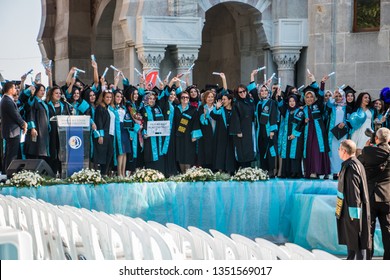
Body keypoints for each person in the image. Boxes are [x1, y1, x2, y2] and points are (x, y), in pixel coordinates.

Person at [336, 139, 371, 260]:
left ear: (345, 151)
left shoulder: (351, 167)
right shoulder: (353, 164)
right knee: (352, 242)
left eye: (339, 149)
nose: (338, 151)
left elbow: (354, 194)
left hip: (353, 212)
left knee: (356, 241)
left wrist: (354, 216)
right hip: (352, 210)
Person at [358, 127, 390, 259]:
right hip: (387, 196)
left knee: (368, 231)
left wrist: (366, 148)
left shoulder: (367, 151)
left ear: (376, 139)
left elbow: (358, 164)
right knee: (388, 229)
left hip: (370, 196)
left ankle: (367, 259)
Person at [0, 82, 27, 172]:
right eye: (15, 88)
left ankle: (5, 173)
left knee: (9, 154)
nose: (16, 90)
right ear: (10, 89)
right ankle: (9, 174)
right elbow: (15, 115)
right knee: (11, 155)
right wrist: (23, 124)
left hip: (11, 131)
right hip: (12, 132)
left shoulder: (6, 99)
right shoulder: (7, 100)